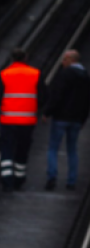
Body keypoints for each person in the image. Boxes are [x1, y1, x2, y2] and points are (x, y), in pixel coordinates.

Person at [0, 48, 46, 191]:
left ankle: (6, 180)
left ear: (12, 59)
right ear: (26, 58)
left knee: (6, 148)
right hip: (27, 121)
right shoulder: (35, 74)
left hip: (8, 120)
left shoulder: (4, 74)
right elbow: (43, 97)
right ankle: (19, 179)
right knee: (22, 149)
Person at [44, 50, 90, 190]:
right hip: (76, 119)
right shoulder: (86, 77)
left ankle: (52, 177)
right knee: (72, 150)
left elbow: (57, 95)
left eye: (64, 59)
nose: (62, 62)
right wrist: (83, 119)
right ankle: (71, 181)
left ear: (71, 60)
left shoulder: (64, 75)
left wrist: (47, 112)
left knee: (53, 148)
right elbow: (87, 100)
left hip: (61, 117)